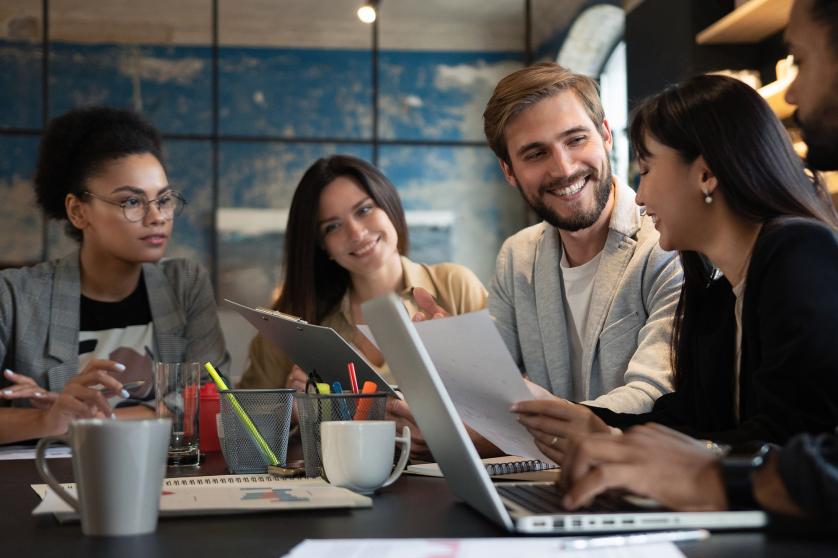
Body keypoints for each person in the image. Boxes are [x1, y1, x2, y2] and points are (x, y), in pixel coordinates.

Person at [551, 0, 838, 519]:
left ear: (705, 174)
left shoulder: (798, 252)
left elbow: (789, 436)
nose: (639, 197)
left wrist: (674, 458)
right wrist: (598, 426)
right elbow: (689, 421)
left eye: (645, 170)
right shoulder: (718, 290)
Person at [415, 62, 681, 413]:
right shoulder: (517, 256)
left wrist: (541, 410)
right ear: (509, 170)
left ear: (605, 135)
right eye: (536, 154)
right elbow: (497, 388)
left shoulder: (667, 246)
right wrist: (458, 360)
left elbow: (655, 393)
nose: (564, 168)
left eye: (576, 139)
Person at [0, 107, 229, 444]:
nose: (157, 216)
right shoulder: (14, 296)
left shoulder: (184, 284)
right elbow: (185, 409)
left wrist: (83, 422)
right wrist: (45, 419)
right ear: (78, 211)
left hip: (162, 473)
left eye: (164, 199)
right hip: (49, 476)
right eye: (132, 201)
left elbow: (213, 401)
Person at [237, 155, 487, 455]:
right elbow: (241, 426)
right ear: (322, 245)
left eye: (364, 210)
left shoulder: (456, 286)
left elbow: (508, 405)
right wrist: (293, 410)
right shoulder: (293, 319)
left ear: (389, 205)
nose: (356, 233)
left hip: (450, 475)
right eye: (333, 226)